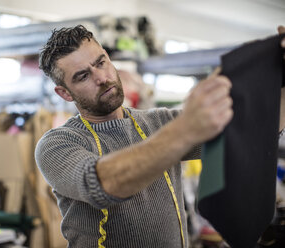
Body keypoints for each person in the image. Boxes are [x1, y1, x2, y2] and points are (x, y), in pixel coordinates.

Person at [35, 25, 285, 247]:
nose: (101, 78)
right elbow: (103, 184)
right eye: (83, 76)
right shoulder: (57, 145)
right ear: (65, 93)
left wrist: (280, 79)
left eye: (101, 63)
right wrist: (185, 129)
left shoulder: (158, 122)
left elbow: (256, 127)